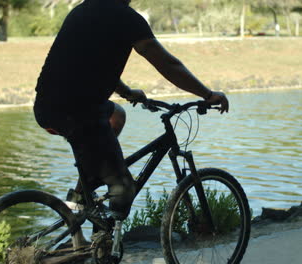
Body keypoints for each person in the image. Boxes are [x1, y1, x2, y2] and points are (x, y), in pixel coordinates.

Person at [33, 0, 229, 224]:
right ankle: (107, 247)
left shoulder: (84, 9)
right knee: (124, 188)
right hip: (78, 112)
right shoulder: (126, 17)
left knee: (116, 115)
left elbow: (91, 64)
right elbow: (167, 64)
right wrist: (207, 94)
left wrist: (127, 92)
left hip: (49, 106)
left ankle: (80, 195)